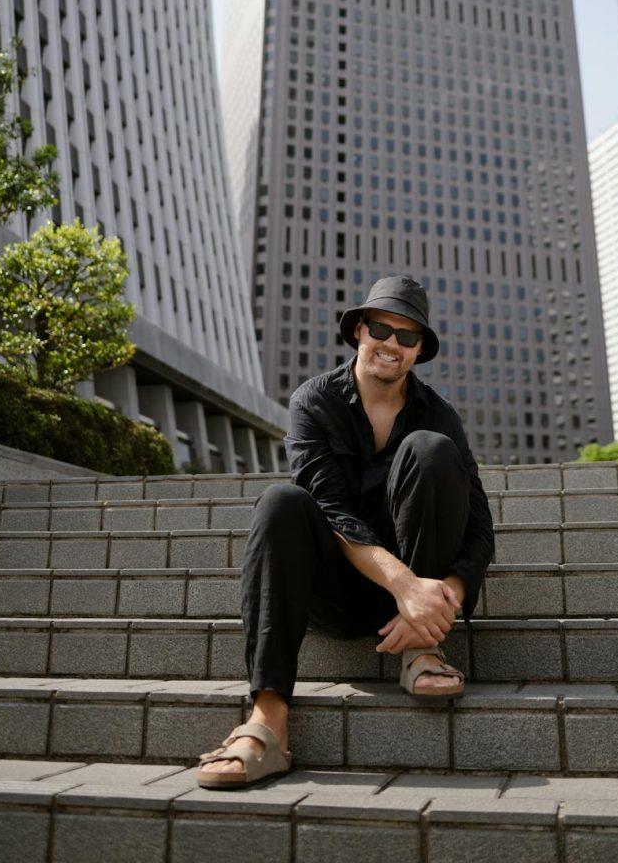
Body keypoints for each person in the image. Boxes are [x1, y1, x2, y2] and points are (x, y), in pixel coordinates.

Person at [196, 275, 495, 788]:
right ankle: (268, 718)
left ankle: (421, 649)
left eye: (408, 337)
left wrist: (439, 600)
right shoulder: (314, 401)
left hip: (416, 595)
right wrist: (405, 588)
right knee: (281, 502)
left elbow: (478, 525)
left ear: (419, 349)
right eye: (382, 328)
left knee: (431, 450)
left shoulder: (439, 415)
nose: (392, 345)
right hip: (338, 591)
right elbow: (330, 510)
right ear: (360, 330)